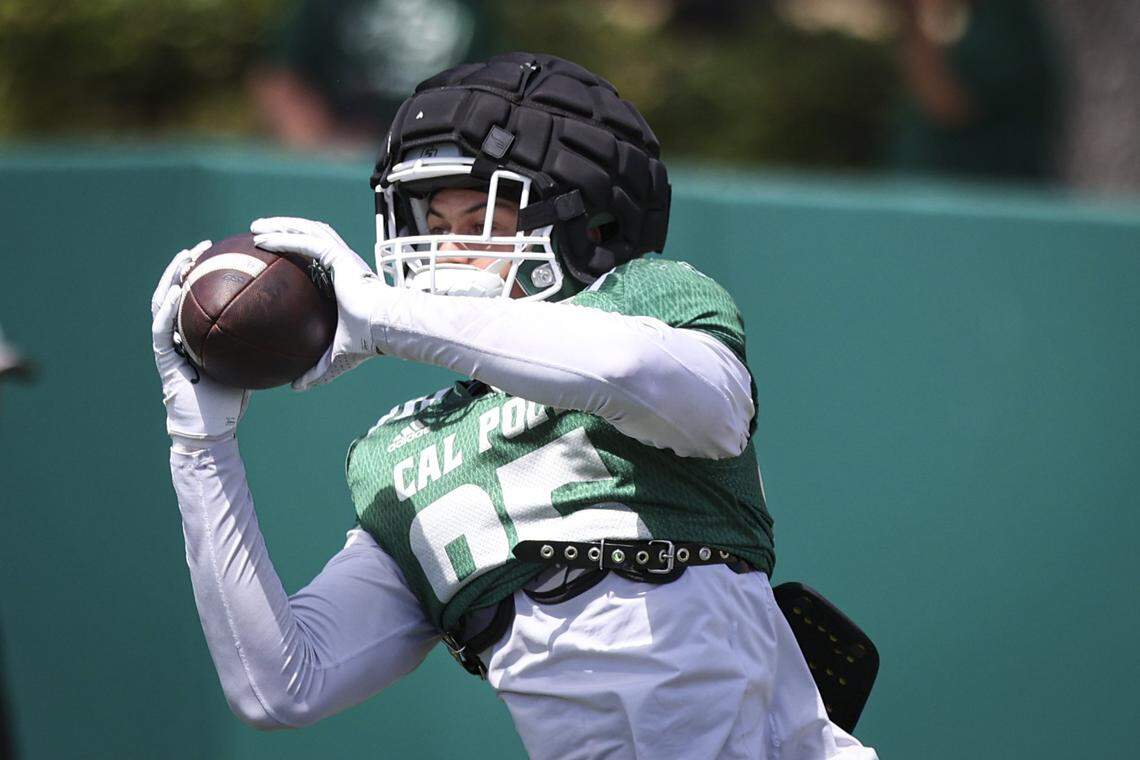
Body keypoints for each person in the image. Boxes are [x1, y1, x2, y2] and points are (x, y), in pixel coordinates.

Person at [152, 52, 878, 758]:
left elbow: (630, 370)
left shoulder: (651, 302)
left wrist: (385, 318)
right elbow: (280, 686)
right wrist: (201, 445)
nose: (445, 249)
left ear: (584, 222)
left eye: (480, 222)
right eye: (435, 226)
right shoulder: (406, 448)